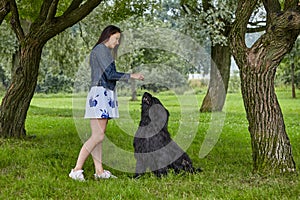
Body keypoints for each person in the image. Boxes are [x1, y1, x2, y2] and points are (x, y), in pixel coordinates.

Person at [69, 25, 144, 181]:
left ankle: (100, 171)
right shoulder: (101, 50)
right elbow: (110, 74)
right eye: (116, 39)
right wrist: (132, 76)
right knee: (98, 136)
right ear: (108, 35)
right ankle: (76, 170)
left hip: (103, 94)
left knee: (99, 136)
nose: (117, 43)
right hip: (100, 94)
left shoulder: (102, 51)